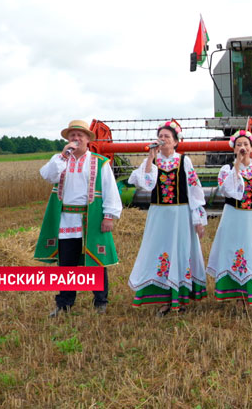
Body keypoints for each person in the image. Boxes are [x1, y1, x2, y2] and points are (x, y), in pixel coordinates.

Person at [35, 120, 122, 317]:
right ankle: (64, 303)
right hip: (66, 219)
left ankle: (100, 301)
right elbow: (47, 176)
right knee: (66, 262)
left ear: (87, 140)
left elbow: (110, 190)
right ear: (67, 140)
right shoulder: (60, 160)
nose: (76, 139)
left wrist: (109, 216)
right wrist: (62, 157)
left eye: (80, 135)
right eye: (72, 135)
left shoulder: (100, 162)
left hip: (90, 217)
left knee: (96, 260)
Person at [127, 120, 208, 316]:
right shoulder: (152, 161)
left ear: (175, 142)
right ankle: (165, 299)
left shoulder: (184, 161)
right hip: (159, 214)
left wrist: (198, 219)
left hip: (180, 214)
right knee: (160, 252)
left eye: (167, 137)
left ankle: (180, 299)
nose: (162, 140)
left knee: (180, 253)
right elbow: (145, 184)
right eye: (160, 136)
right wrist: (149, 158)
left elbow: (195, 190)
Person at [206, 128, 252, 306]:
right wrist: (237, 164)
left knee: (250, 252)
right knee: (231, 251)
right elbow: (227, 190)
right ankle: (234, 292)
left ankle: (247, 294)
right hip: (232, 217)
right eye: (239, 145)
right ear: (234, 149)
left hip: (251, 218)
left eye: (246, 144)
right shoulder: (227, 169)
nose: (243, 147)